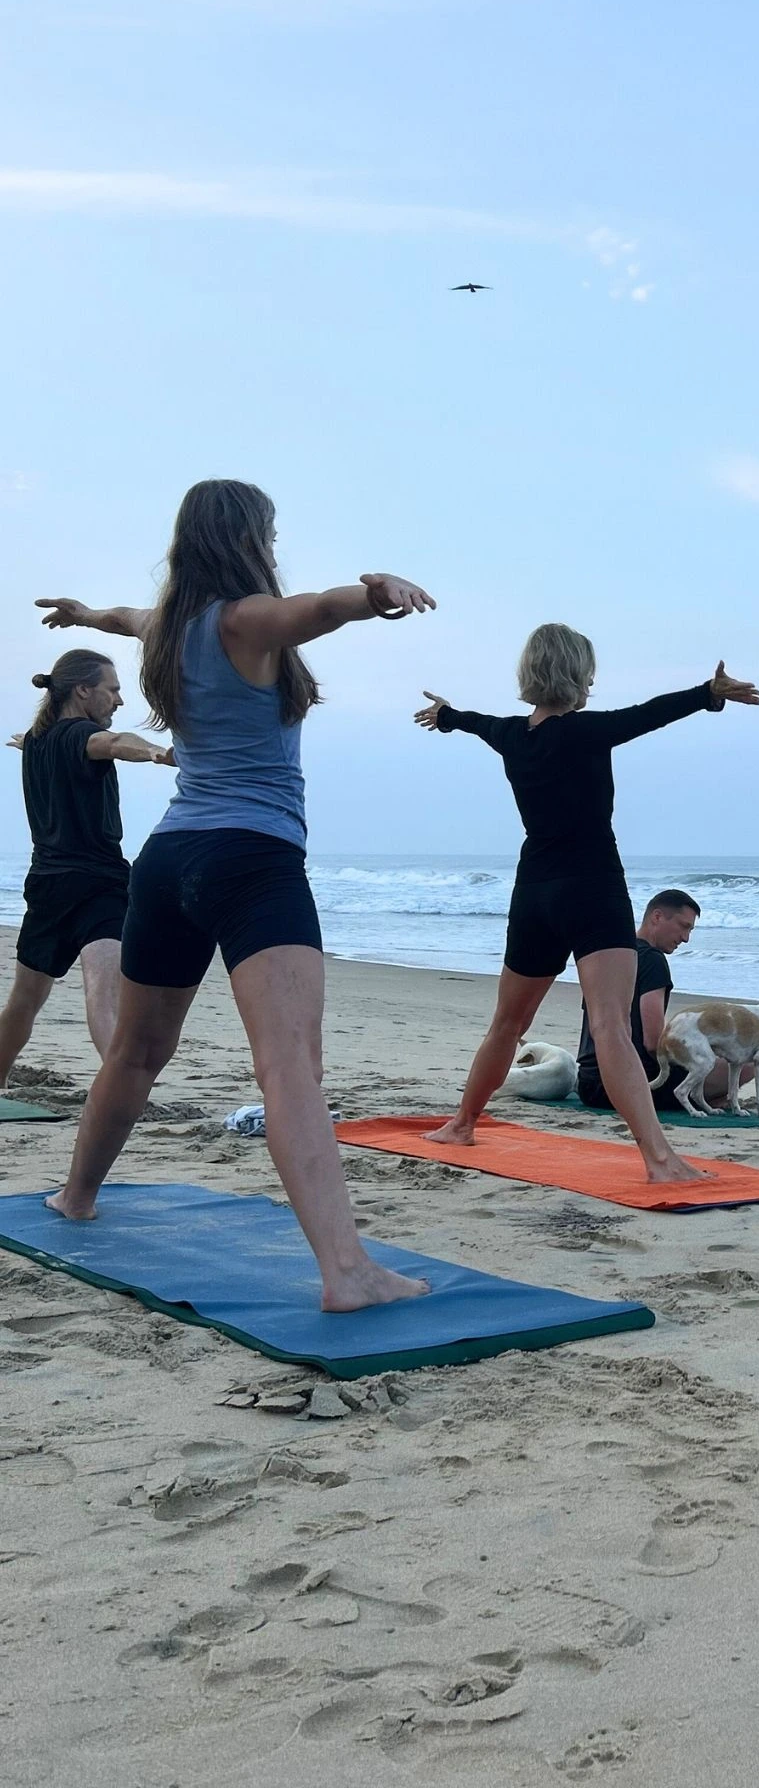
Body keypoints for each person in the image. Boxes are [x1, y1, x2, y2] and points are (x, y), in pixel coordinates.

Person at [36, 478, 432, 1312]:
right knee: (290, 1067)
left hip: (170, 862)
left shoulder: (167, 631)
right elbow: (315, 611)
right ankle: (347, 1274)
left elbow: (123, 618)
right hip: (253, 861)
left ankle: (75, 1198)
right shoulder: (244, 619)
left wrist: (80, 613)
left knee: (137, 1055)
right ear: (252, 537)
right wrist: (376, 594)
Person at [414, 632, 759, 1180]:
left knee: (506, 1024)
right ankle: (659, 1159)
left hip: (534, 892)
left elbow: (477, 722)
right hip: (593, 886)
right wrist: (707, 693)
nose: (594, 683)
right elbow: (650, 714)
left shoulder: (512, 735)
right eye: (589, 673)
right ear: (576, 676)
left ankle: (461, 1123)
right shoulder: (587, 730)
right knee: (609, 1027)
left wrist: (447, 715)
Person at [1, 651, 175, 1086]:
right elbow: (114, 744)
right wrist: (156, 751)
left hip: (46, 885)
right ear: (83, 690)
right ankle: (124, 1094)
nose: (118, 700)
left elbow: (59, 743)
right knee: (104, 994)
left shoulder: (40, 740)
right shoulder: (82, 735)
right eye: (112, 689)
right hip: (98, 884)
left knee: (23, 1003)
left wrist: (29, 742)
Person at [574, 888, 751, 1113]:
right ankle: (704, 1097)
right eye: (684, 927)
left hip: (589, 1084)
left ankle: (709, 1097)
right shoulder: (652, 960)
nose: (686, 938)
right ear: (657, 917)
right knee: (747, 1061)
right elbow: (653, 1042)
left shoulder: (611, 959)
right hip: (632, 1085)